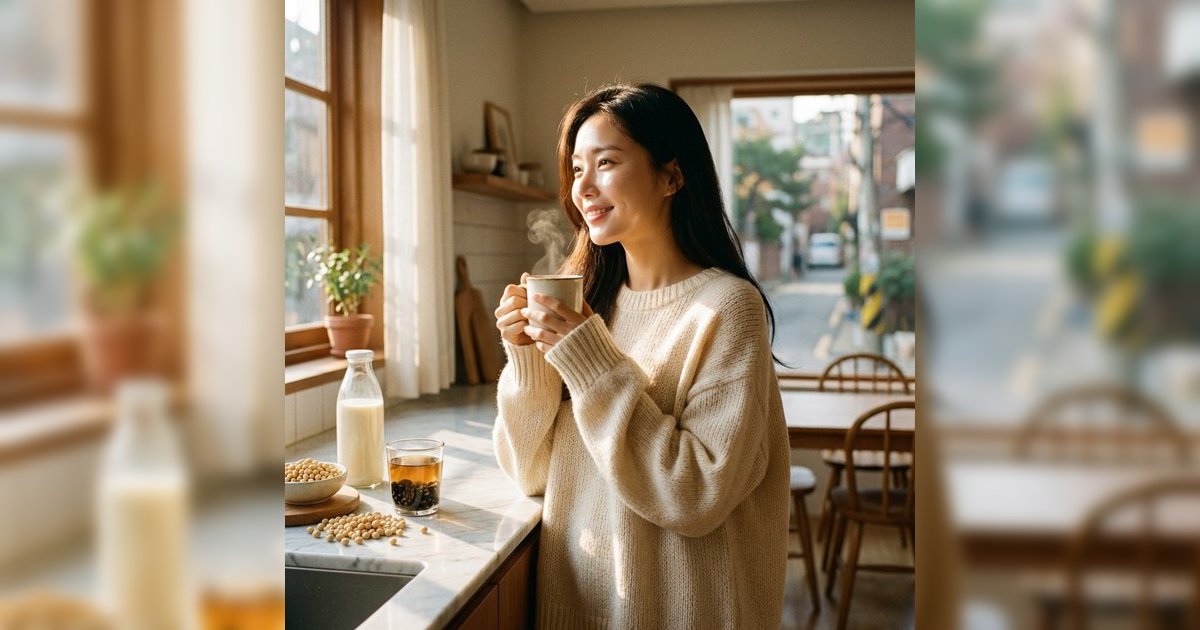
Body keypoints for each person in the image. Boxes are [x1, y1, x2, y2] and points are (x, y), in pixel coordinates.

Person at [492, 83, 789, 629]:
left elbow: (697, 496)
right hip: (581, 603)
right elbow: (530, 474)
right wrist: (528, 358)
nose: (583, 187)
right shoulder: (591, 308)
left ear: (671, 176)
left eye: (606, 162)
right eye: (576, 168)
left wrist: (589, 361)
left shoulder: (727, 309)